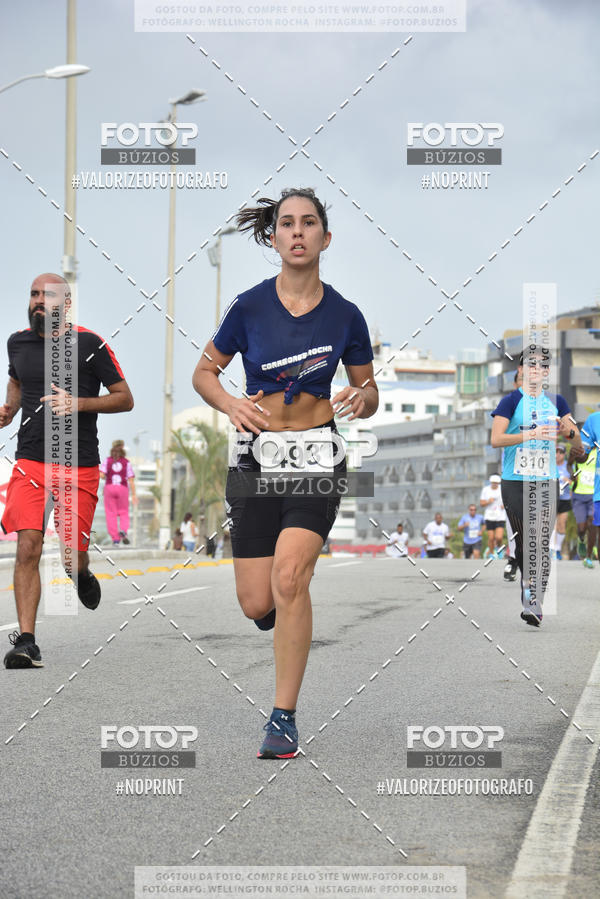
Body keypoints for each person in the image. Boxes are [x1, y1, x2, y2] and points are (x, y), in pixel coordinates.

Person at [192, 187, 378, 759]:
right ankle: (278, 613)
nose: (297, 232)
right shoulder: (248, 307)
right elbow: (204, 372)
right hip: (256, 458)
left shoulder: (346, 314)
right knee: (257, 602)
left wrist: (358, 395)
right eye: (287, 224)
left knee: (291, 577)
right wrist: (230, 404)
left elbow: (369, 393)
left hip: (317, 457)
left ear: (325, 237)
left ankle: (283, 717)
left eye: (309, 223)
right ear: (273, 238)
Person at [0, 273, 133, 668]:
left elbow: (124, 398)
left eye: (49, 295)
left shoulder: (90, 344)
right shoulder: (17, 342)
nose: (40, 300)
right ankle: (27, 641)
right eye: (34, 294)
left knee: (72, 557)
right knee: (28, 545)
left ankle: (82, 575)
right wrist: (7, 412)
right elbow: (17, 383)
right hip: (30, 461)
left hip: (79, 465)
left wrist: (78, 403)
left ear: (67, 304)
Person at [491, 347, 582, 626]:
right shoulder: (510, 402)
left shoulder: (557, 402)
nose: (535, 370)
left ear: (546, 372)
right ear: (521, 370)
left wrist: (570, 432)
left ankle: (534, 601)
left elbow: (575, 441)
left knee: (541, 542)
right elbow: (496, 439)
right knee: (524, 543)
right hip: (515, 482)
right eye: (529, 365)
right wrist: (531, 434)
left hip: (546, 481)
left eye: (541, 366)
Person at [99, 439, 136, 545]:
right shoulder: (126, 462)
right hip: (122, 488)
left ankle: (115, 539)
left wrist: (105, 477)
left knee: (111, 514)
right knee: (124, 512)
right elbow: (131, 480)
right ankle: (123, 531)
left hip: (109, 488)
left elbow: (101, 475)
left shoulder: (108, 461)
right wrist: (134, 494)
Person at [578, 411, 600, 567]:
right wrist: (577, 454)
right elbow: (582, 453)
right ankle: (588, 556)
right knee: (595, 523)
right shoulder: (594, 420)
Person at [569, 444, 596, 567]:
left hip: (594, 495)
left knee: (592, 522)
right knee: (581, 527)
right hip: (579, 495)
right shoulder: (578, 450)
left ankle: (590, 554)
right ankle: (581, 540)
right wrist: (572, 474)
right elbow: (569, 465)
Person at [550, 444, 572, 560]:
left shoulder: (568, 466)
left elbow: (575, 481)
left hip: (565, 499)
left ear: (564, 454)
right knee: (551, 525)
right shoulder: (550, 466)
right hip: (551, 498)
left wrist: (568, 481)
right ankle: (551, 549)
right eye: (556, 452)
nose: (558, 454)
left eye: (561, 452)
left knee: (561, 524)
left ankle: (558, 549)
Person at [479, 475, 506, 558]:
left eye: (497, 483)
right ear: (491, 483)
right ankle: (491, 553)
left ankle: (499, 549)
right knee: (491, 538)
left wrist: (505, 505)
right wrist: (488, 501)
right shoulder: (486, 490)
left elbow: (508, 499)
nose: (495, 484)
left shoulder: (502, 489)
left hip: (500, 516)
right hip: (489, 516)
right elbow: (482, 503)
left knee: (499, 537)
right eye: (493, 483)